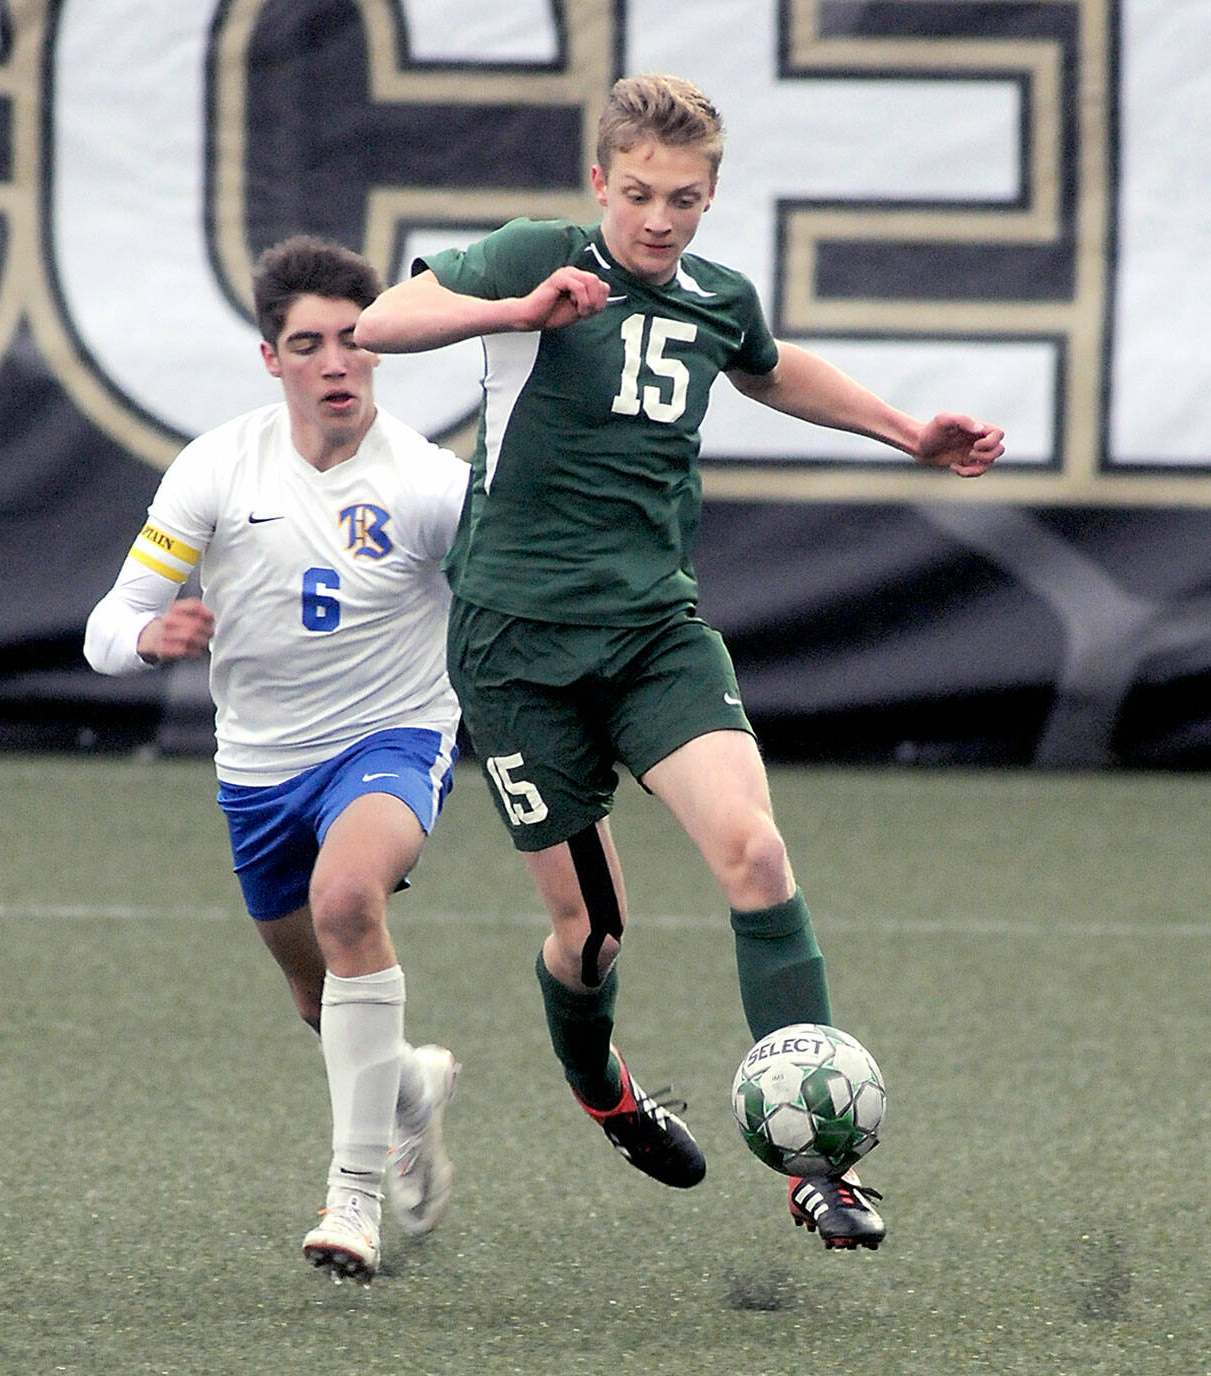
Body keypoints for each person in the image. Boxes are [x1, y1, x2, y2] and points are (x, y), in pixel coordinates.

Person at [353, 74, 1005, 1251]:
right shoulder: (537, 255)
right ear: (601, 182)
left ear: (710, 199)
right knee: (592, 936)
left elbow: (765, 364)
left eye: (685, 200)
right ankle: (604, 1089)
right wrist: (512, 311)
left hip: (653, 633)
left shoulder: (713, 296)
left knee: (753, 850)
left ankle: (819, 1168)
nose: (658, 219)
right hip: (513, 651)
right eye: (640, 194)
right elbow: (378, 323)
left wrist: (907, 431)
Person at [84, 234, 470, 1282]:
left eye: (354, 338)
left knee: (350, 903)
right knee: (318, 1002)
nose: (335, 362)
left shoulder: (435, 486)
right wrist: (145, 641)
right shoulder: (217, 467)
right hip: (259, 770)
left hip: (392, 739)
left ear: (381, 349)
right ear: (271, 359)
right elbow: (109, 624)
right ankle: (405, 1093)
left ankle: (351, 1201)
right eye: (309, 343)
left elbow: (511, 604)